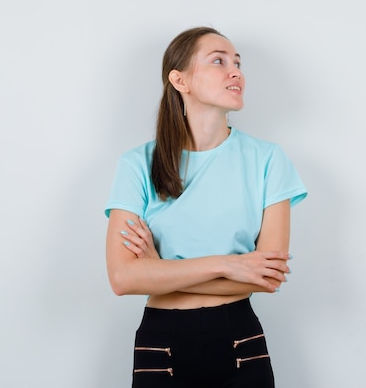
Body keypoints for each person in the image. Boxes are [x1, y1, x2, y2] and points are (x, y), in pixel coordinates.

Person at [104, 26, 307, 388]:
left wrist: (159, 271)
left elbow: (267, 276)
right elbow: (122, 278)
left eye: (238, 63)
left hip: (239, 338)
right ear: (180, 80)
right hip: (160, 344)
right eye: (219, 61)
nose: (236, 72)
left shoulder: (268, 160)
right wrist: (230, 264)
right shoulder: (137, 164)